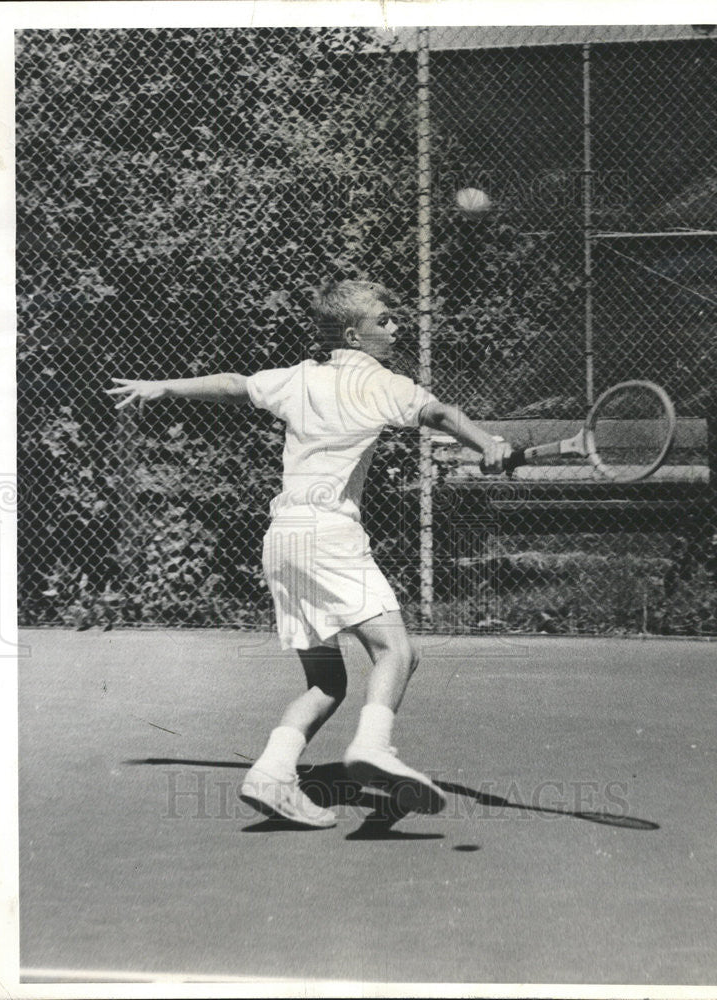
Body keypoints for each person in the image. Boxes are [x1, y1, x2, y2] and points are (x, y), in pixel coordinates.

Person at [107, 279, 515, 828]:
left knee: (327, 684)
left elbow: (234, 384)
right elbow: (440, 414)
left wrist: (166, 387)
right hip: (328, 535)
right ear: (354, 335)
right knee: (398, 652)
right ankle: (374, 747)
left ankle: (271, 775)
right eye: (385, 319)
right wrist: (487, 443)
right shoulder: (382, 384)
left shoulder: (298, 378)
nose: (396, 326)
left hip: (283, 540)